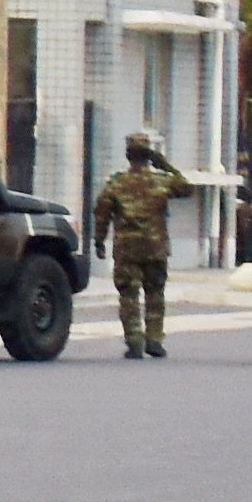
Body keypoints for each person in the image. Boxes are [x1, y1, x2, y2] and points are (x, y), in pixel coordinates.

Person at [93, 132, 181, 357]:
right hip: (156, 248)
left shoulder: (116, 183)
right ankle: (154, 339)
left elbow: (102, 213)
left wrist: (99, 241)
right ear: (149, 155)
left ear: (127, 155)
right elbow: (186, 188)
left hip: (127, 250)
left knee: (129, 296)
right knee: (155, 294)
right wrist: (166, 165)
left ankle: (134, 341)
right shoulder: (162, 181)